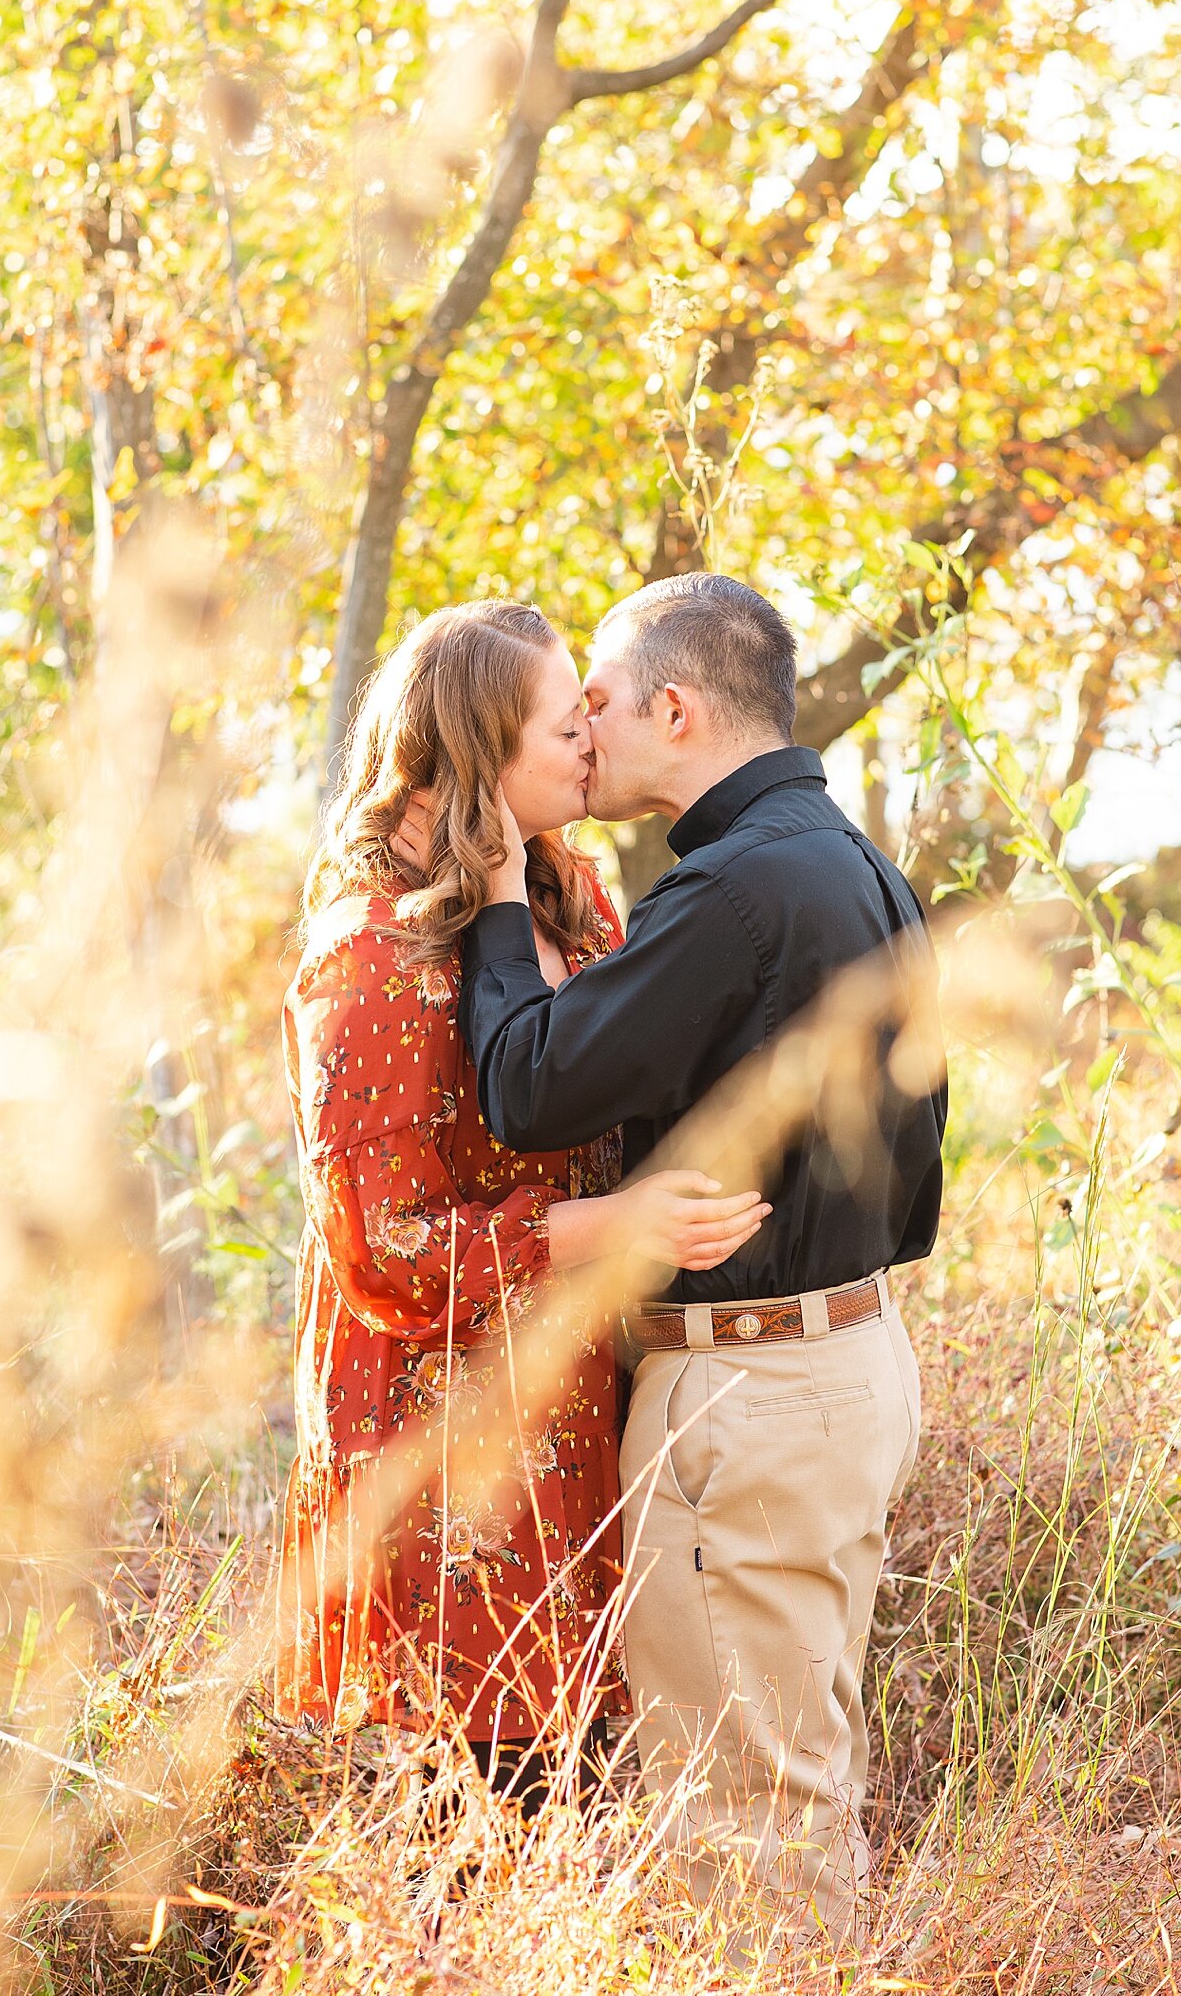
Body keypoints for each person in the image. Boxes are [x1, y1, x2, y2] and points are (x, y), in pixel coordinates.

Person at [458, 574, 947, 1937]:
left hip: (753, 1398)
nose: (584, 728)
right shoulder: (856, 864)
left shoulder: (736, 889)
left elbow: (529, 1084)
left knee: (745, 1828)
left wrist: (502, 894)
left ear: (676, 707)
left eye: (600, 701)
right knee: (797, 1789)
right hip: (849, 1363)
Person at [277, 599, 768, 1808]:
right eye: (567, 727)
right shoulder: (369, 959)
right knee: (477, 1805)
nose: (594, 746)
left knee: (593, 1790)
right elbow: (379, 1255)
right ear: (476, 752)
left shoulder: (572, 894)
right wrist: (599, 1231)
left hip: (581, 1407)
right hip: (445, 1449)